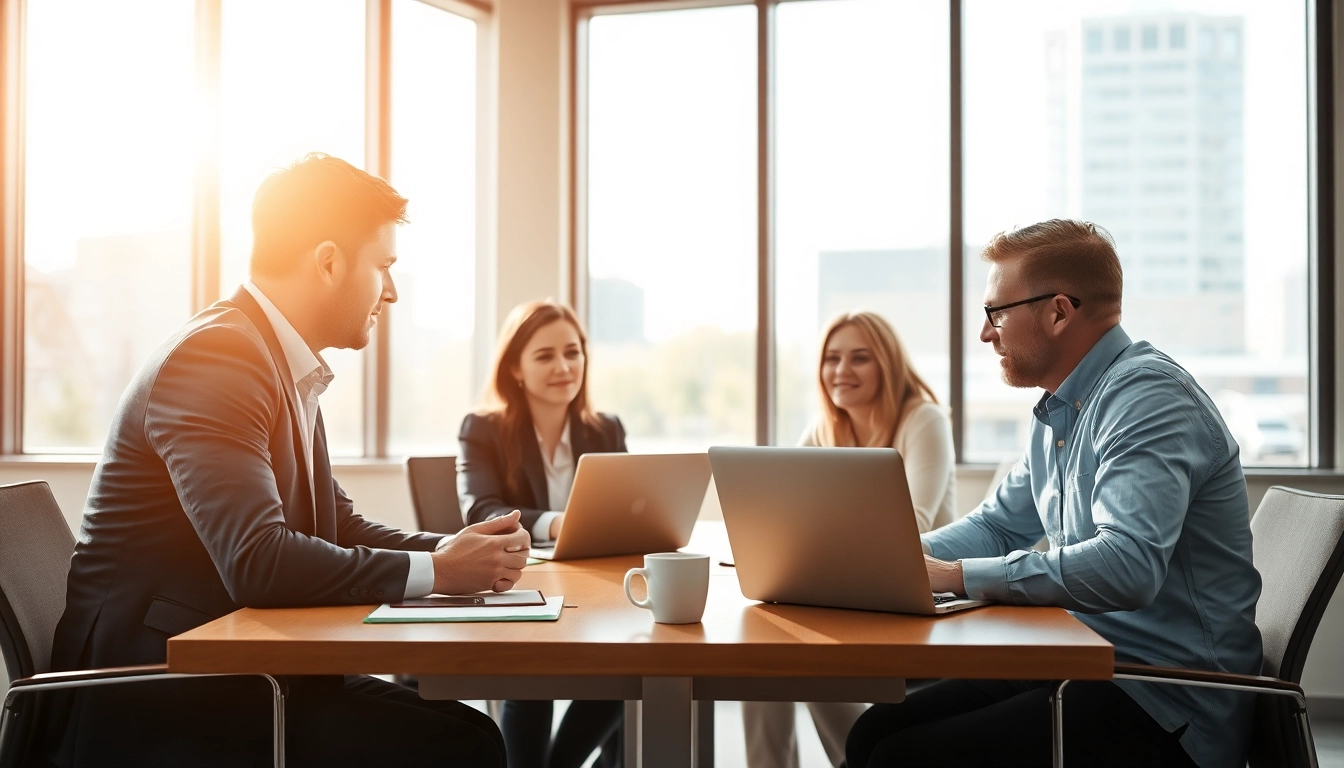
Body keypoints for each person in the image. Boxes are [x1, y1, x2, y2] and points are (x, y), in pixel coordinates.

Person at [46, 154, 528, 768]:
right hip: (159, 693)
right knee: (459, 747)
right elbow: (259, 562)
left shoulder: (280, 361)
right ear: (328, 261)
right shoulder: (220, 358)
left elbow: (339, 528)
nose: (392, 291)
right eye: (383, 266)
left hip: (243, 672)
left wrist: (461, 553)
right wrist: (440, 572)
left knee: (472, 736)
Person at [845, 219, 1262, 768]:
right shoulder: (1061, 411)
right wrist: (887, 564)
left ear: (1059, 312)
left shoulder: (1148, 401)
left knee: (903, 756)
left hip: (1161, 699)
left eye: (997, 312)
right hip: (1086, 664)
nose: (986, 333)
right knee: (872, 733)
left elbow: (1128, 565)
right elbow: (997, 525)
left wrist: (959, 576)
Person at [743, 310, 955, 768]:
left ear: (887, 363)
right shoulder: (824, 429)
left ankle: (855, 761)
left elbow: (912, 526)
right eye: (832, 359)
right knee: (758, 654)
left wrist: (812, 545)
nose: (841, 371)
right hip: (847, 598)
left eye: (860, 358)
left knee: (805, 659)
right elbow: (779, 511)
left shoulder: (923, 420)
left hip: (917, 601)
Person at [457, 300, 628, 768]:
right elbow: (481, 508)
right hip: (520, 586)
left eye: (572, 352)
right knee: (530, 682)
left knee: (636, 667)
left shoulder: (605, 430)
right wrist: (557, 522)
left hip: (596, 592)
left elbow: (631, 508)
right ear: (515, 367)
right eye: (545, 355)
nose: (563, 366)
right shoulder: (484, 429)